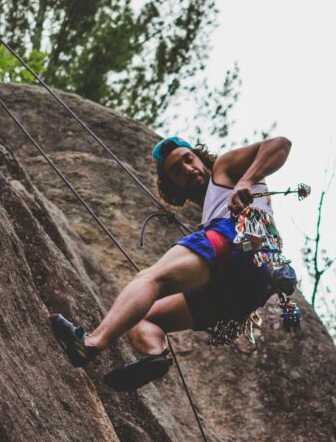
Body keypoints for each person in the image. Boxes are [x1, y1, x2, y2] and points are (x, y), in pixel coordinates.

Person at [51, 135, 293, 390]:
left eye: (189, 160)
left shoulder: (225, 169)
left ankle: (90, 343)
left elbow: (280, 144)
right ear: (173, 186)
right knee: (142, 316)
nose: (188, 169)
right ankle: (154, 354)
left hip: (239, 244)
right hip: (245, 290)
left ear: (200, 158)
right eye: (177, 171)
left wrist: (246, 179)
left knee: (150, 279)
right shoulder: (212, 207)